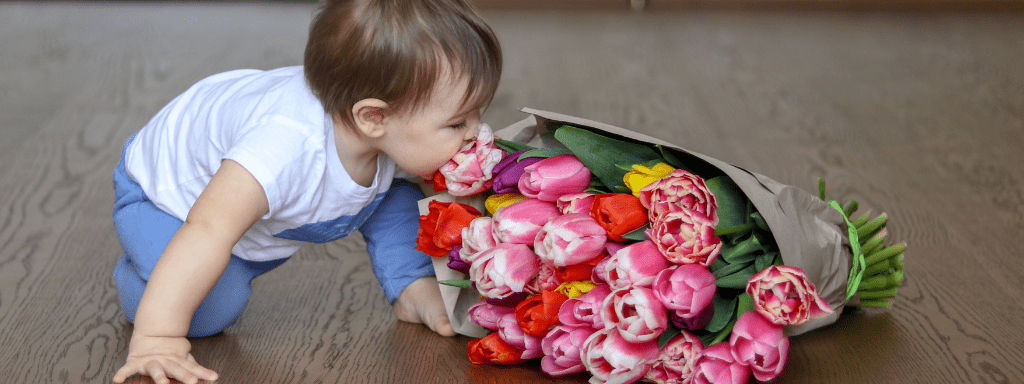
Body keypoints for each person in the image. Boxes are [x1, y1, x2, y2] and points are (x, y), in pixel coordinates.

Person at [110, 0, 502, 383]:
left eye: (477, 113)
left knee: (398, 195)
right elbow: (207, 230)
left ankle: (411, 286)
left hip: (243, 205)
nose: (476, 132)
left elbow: (403, 196)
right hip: (166, 200)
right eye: (457, 123)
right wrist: (157, 338)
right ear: (373, 117)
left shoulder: (378, 129)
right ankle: (141, 275)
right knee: (213, 308)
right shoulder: (280, 151)